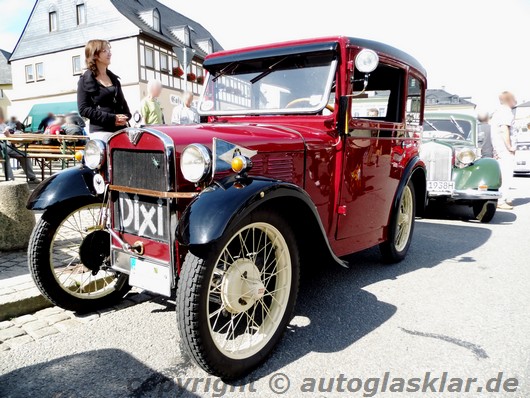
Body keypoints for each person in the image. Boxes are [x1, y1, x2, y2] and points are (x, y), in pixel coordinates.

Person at [77, 39, 131, 133]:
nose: (109, 53)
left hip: (120, 131)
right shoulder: (85, 80)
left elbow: (123, 104)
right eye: (105, 50)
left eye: (109, 50)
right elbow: (83, 109)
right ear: (95, 55)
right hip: (101, 133)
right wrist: (112, 118)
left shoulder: (115, 79)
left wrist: (126, 117)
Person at [492, 91, 517, 210]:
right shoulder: (506, 112)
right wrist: (510, 146)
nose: (515, 101)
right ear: (509, 100)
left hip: (499, 148)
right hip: (504, 149)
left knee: (502, 173)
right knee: (506, 174)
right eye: (514, 99)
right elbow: (504, 129)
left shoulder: (498, 112)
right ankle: (501, 200)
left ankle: (503, 198)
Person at [0, 114, 40, 183]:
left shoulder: (2, 124)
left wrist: (10, 132)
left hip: (8, 146)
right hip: (1, 149)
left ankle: (32, 178)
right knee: (5, 157)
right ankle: (10, 180)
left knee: (25, 156)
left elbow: (9, 130)